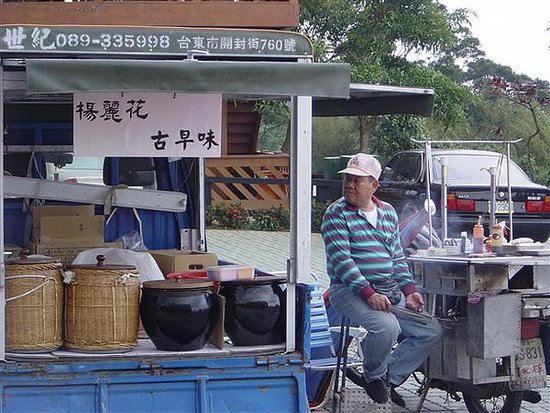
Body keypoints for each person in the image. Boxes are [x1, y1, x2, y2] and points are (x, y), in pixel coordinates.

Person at [321, 153, 442, 406]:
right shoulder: (336, 213)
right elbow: (343, 262)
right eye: (348, 180)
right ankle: (373, 375)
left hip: (388, 290)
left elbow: (397, 256)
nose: (350, 185)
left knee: (430, 330)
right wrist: (369, 294)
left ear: (374, 185)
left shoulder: (387, 213)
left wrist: (409, 290)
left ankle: (389, 377)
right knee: (387, 327)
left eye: (357, 180)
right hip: (348, 291)